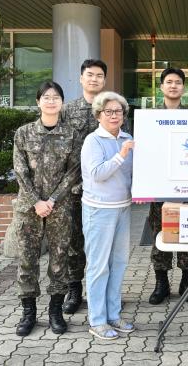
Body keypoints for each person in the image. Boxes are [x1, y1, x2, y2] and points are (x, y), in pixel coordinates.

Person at [12, 81, 79, 336]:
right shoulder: (24, 133)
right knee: (27, 260)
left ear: (62, 103)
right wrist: (36, 201)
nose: (51, 101)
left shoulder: (71, 134)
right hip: (29, 208)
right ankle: (28, 314)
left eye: (56, 97)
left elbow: (72, 172)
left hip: (59, 208)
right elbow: (20, 171)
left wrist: (51, 200)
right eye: (46, 97)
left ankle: (55, 312)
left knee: (59, 261)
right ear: (38, 102)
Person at [81, 91, 135, 340]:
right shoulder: (93, 141)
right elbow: (98, 174)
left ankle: (114, 315)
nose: (114, 116)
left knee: (119, 265)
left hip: (123, 208)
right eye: (109, 111)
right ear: (99, 115)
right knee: (98, 267)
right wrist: (121, 154)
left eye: (119, 111)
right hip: (99, 210)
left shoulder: (127, 137)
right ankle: (98, 320)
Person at [148, 67, 188, 305]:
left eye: (178, 82)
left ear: (183, 88)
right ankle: (161, 284)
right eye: (168, 82)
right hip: (160, 186)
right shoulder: (149, 118)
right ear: (161, 87)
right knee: (161, 233)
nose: (173, 86)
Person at [60, 59, 108, 315]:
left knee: (102, 243)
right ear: (81, 79)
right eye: (89, 75)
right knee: (74, 242)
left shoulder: (112, 108)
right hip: (74, 189)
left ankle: (104, 291)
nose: (94, 79)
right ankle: (74, 289)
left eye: (99, 76)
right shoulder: (67, 111)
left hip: (105, 190)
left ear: (104, 80)